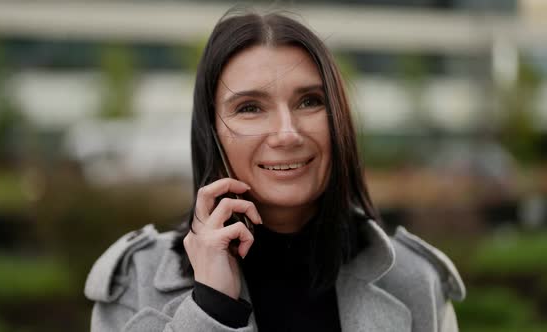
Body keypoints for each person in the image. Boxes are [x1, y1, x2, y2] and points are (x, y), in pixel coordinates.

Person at [84, 9, 466, 332]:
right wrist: (211, 307)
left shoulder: (415, 279)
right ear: (211, 133)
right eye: (250, 107)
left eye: (309, 101)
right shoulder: (135, 280)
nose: (287, 133)